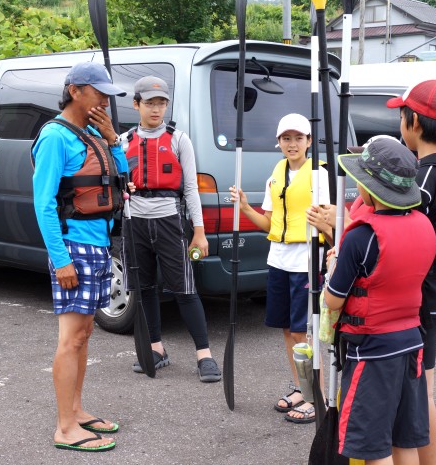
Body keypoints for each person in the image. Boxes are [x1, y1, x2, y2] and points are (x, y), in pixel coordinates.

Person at [32, 62, 127, 452]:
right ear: (75, 91)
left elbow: (123, 180)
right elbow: (42, 204)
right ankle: (65, 428)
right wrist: (61, 259)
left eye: (107, 94)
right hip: (74, 248)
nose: (105, 99)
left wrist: (113, 140)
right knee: (71, 338)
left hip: (99, 245)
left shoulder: (92, 134)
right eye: (98, 92)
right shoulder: (55, 137)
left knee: (85, 334)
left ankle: (77, 410)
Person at [323, 137, 436, 465]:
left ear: (369, 188)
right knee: (404, 441)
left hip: (373, 352)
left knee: (374, 448)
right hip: (411, 346)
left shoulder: (361, 237)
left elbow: (332, 301)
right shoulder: (424, 225)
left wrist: (334, 264)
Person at [228, 113, 330, 424]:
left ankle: (318, 396)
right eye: (286, 138)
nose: (292, 143)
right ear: (279, 143)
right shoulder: (276, 172)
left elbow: (329, 219)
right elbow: (268, 224)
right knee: (288, 328)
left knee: (304, 331)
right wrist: (245, 207)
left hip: (305, 261)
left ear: (309, 142)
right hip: (279, 259)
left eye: (299, 138)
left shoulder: (318, 175)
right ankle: (301, 387)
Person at [121, 76, 221, 383]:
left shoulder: (179, 139)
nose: (156, 109)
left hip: (169, 220)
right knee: (145, 288)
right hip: (134, 221)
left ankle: (204, 355)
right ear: (136, 105)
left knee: (185, 288)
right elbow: (115, 184)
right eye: (150, 103)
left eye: (161, 103)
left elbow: (190, 188)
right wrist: (122, 186)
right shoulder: (124, 141)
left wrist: (199, 231)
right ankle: (156, 349)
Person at [386, 79, 436, 465]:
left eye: (401, 115)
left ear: (413, 121)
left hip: (425, 293)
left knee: (420, 393)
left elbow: (402, 230)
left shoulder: (427, 176)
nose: (400, 123)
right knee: (420, 390)